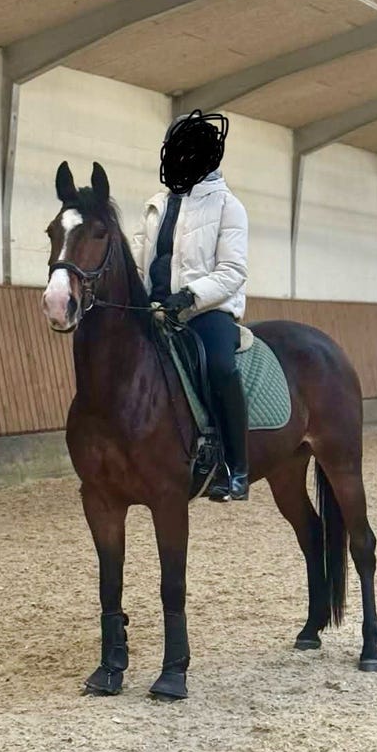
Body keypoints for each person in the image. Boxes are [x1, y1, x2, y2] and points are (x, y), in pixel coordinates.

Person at [132, 110, 249, 501]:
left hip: (206, 311)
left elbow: (233, 270)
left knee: (219, 366)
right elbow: (139, 261)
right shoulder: (156, 206)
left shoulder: (228, 205)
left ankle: (235, 466)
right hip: (155, 308)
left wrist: (189, 296)